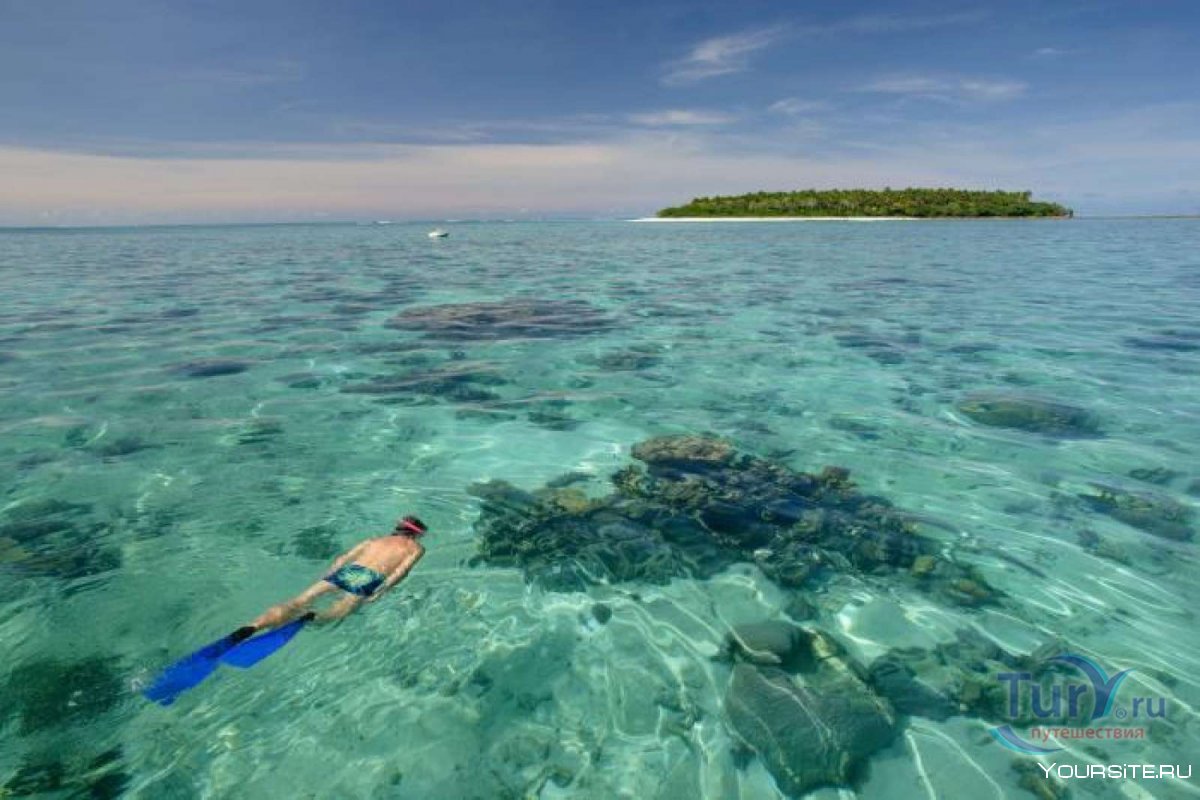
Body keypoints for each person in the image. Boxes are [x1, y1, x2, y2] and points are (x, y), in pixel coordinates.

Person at [230, 515, 428, 643]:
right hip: (370, 578)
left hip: (348, 570)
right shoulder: (415, 548)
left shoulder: (374, 540)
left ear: (399, 527)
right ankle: (311, 617)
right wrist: (382, 590)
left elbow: (343, 558)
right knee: (341, 610)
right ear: (417, 535)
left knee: (298, 601)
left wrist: (329, 575)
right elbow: (401, 571)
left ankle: (254, 625)